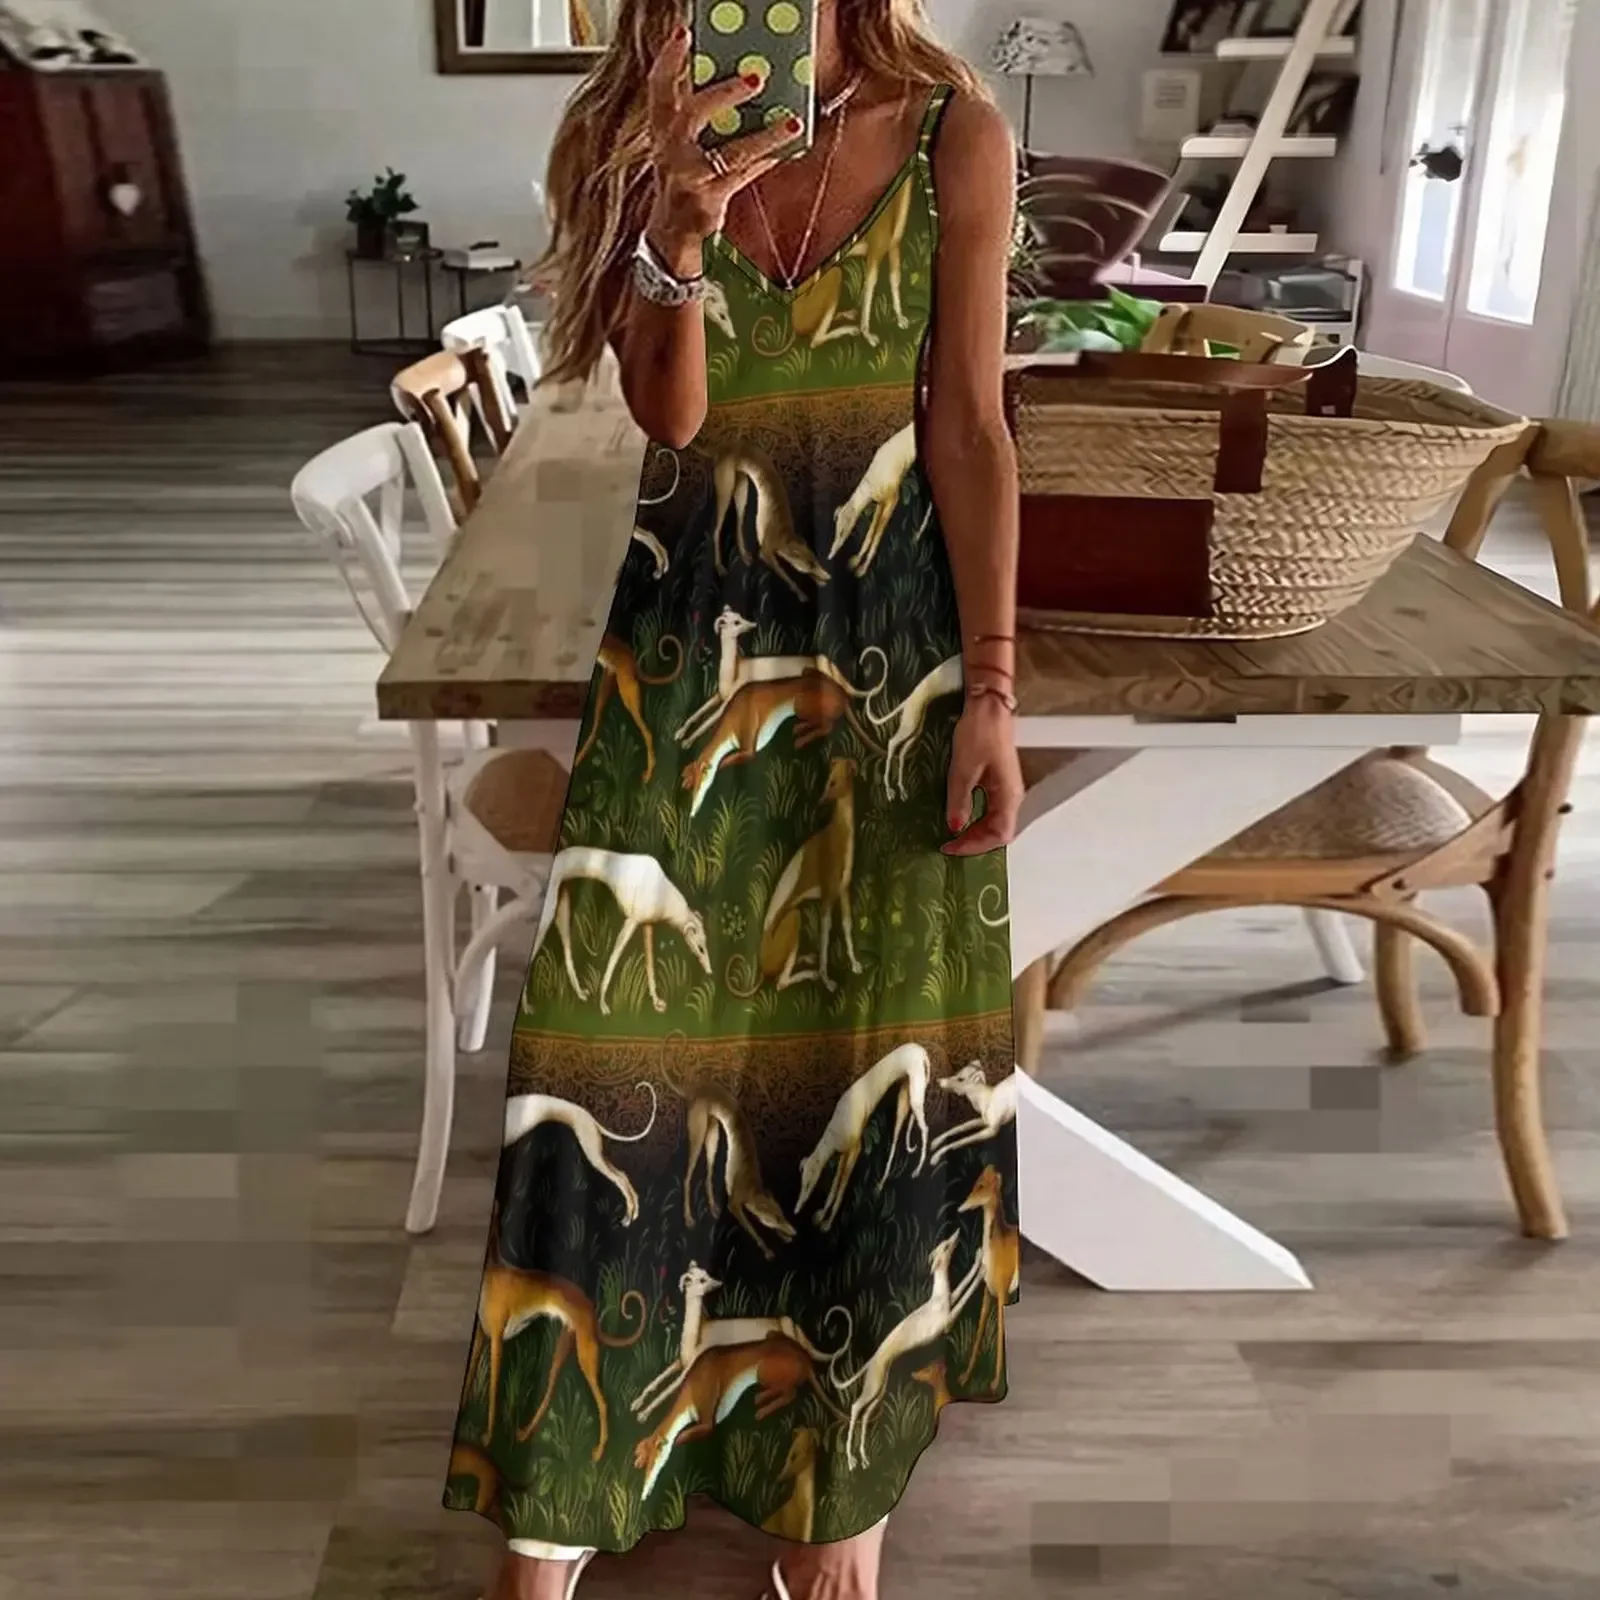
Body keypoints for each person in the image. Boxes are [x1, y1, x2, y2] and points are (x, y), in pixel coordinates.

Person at [443, 0, 1023, 1595]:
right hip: (686, 642)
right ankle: (564, 1483)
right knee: (616, 1050)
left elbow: (972, 425)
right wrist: (678, 227)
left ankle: (835, 1492)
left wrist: (991, 686)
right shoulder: (642, 129)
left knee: (866, 1064)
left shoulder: (955, 134)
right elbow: (676, 417)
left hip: (895, 654)